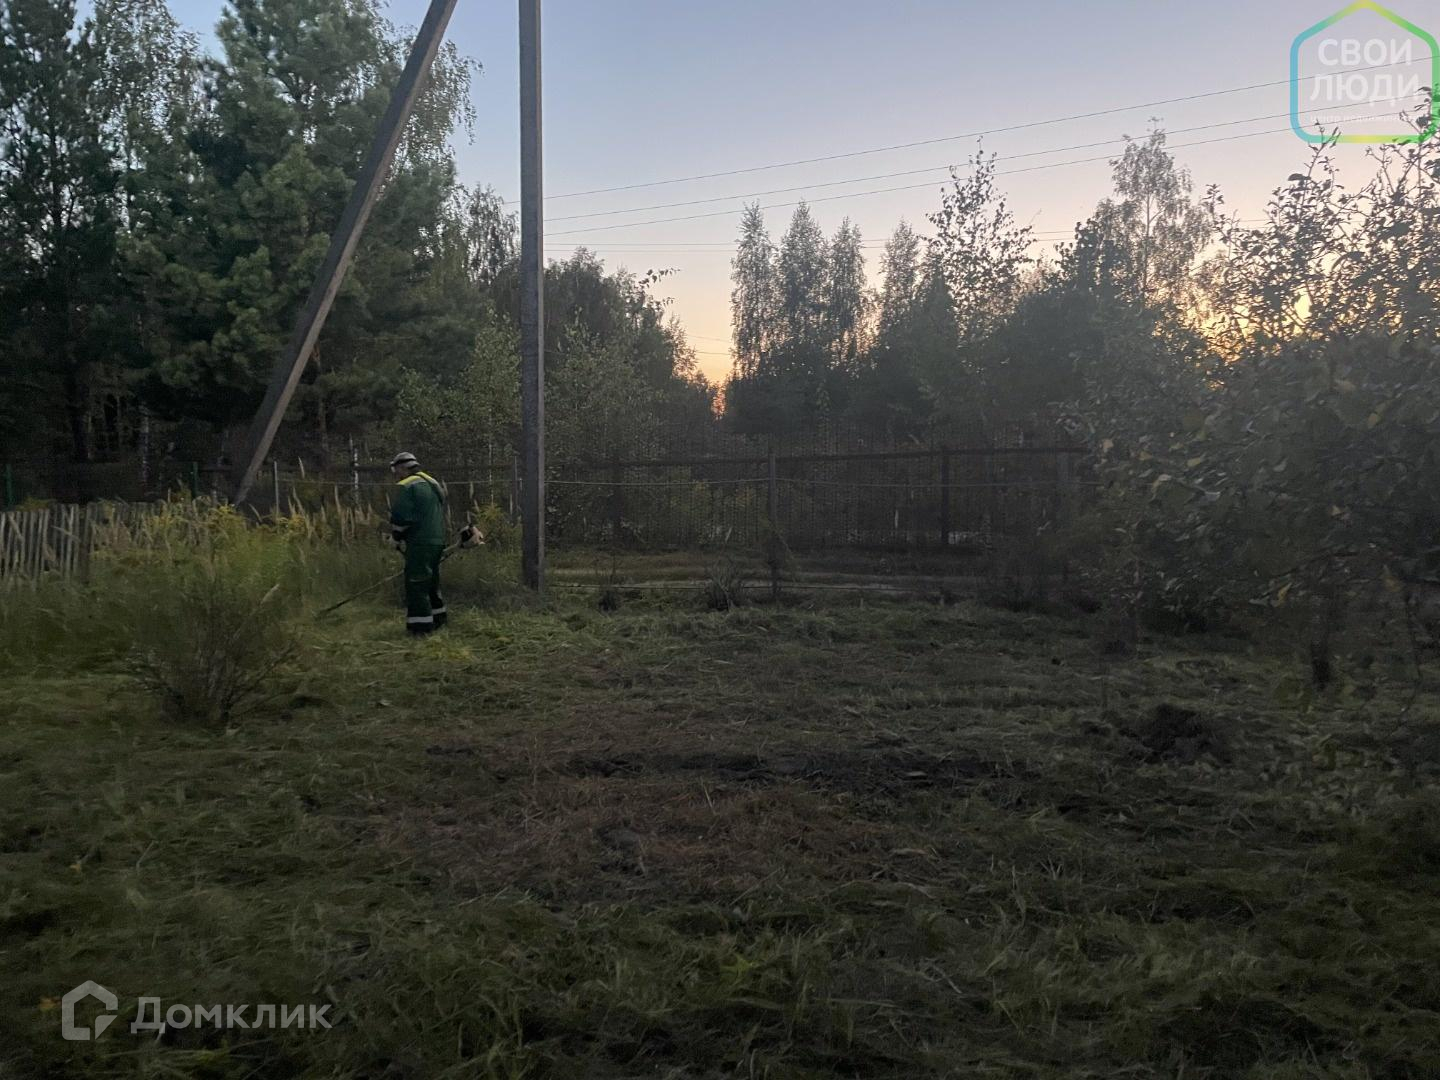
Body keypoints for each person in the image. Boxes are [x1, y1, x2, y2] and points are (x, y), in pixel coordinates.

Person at [388, 452, 448, 635]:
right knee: (432, 582)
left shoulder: (407, 486)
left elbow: (402, 516)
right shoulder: (432, 483)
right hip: (437, 539)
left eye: (396, 470)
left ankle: (420, 627)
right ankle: (439, 619)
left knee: (416, 583)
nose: (396, 475)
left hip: (419, 542)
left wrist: (396, 537)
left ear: (403, 468)